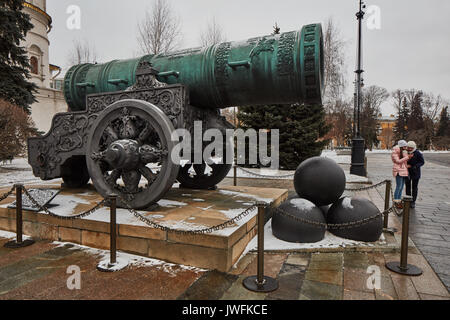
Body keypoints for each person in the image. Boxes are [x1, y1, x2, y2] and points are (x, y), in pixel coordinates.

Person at [391, 140, 411, 209]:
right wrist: (407, 157)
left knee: (401, 187)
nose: (406, 147)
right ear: (402, 146)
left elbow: (404, 161)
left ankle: (399, 201)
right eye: (405, 146)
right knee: (398, 187)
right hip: (398, 171)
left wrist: (407, 165)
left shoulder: (403, 152)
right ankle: (396, 202)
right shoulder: (395, 152)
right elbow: (398, 161)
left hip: (403, 171)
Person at [405, 141, 425, 209]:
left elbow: (422, 162)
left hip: (415, 172)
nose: (409, 149)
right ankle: (407, 200)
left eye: (411, 148)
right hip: (407, 172)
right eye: (408, 147)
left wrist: (415, 166)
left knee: (414, 187)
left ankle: (413, 201)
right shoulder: (406, 152)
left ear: (414, 147)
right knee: (407, 187)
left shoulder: (417, 153)